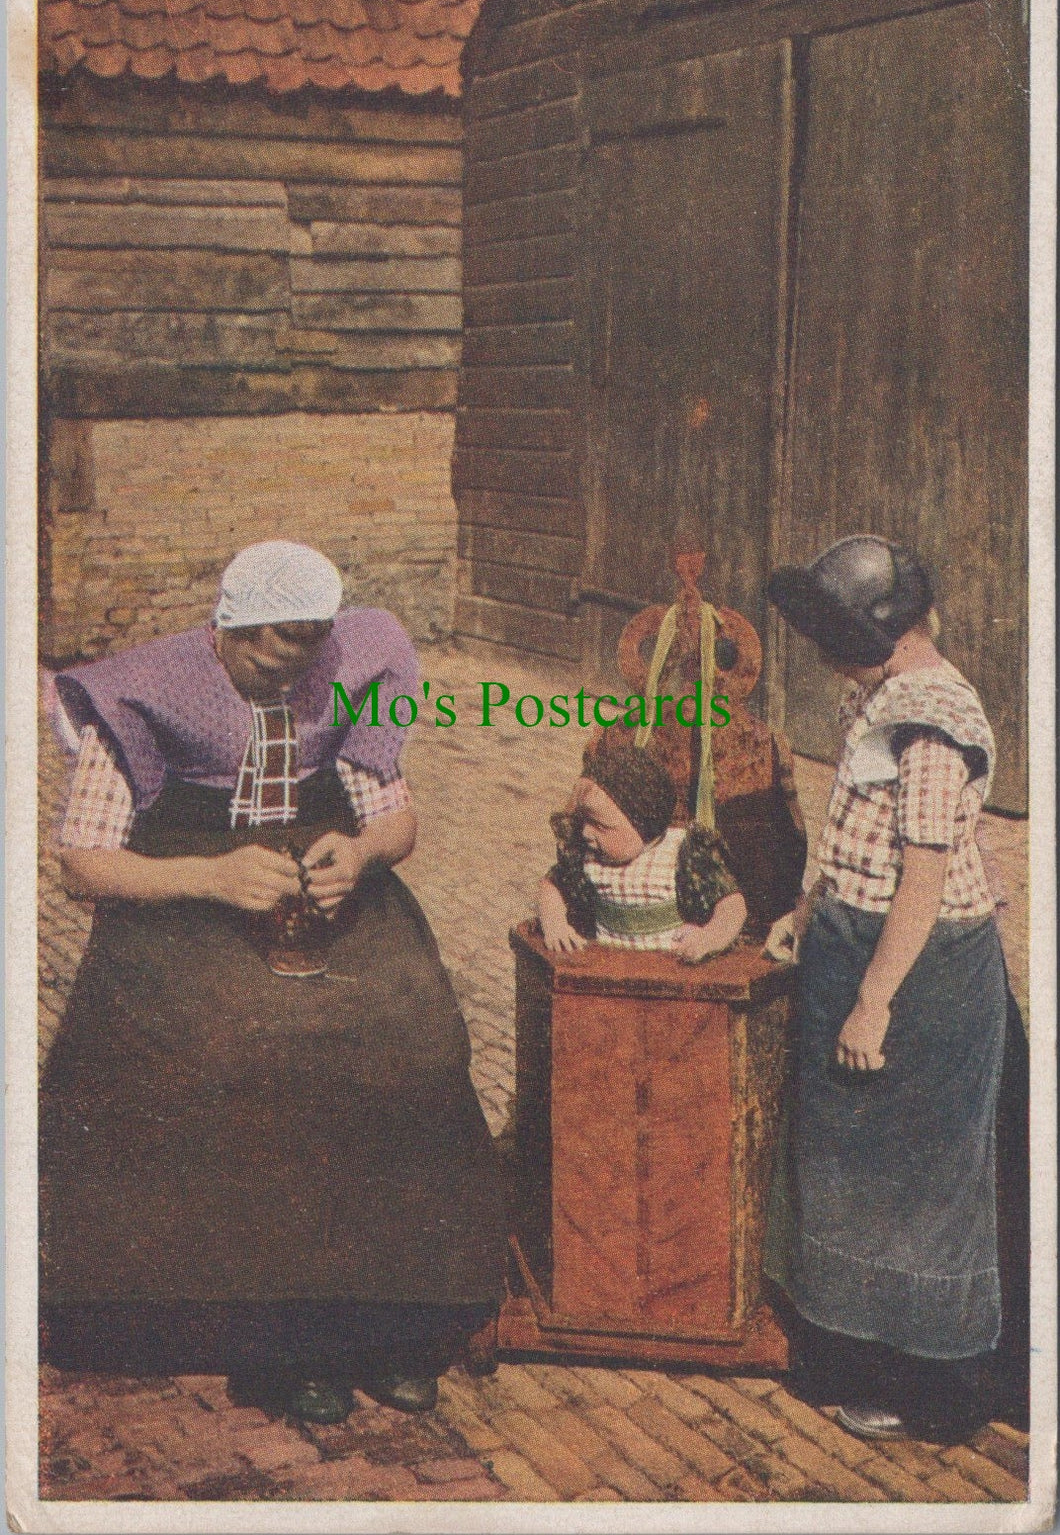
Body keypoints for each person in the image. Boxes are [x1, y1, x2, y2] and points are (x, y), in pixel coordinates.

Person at [40, 540, 506, 1423]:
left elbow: (395, 819)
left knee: (414, 1039)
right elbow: (82, 865)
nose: (280, 672)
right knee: (254, 1055)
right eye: (263, 652)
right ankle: (281, 1343)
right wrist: (208, 878)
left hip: (319, 882)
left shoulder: (358, 664)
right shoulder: (142, 688)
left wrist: (363, 855)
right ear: (225, 626)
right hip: (183, 897)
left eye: (302, 652)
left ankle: (391, 1320)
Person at [763, 534, 1029, 1441]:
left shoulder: (933, 720)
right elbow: (849, 834)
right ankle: (855, 1351)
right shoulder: (877, 697)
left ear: (882, 629)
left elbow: (923, 875)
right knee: (854, 1167)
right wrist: (806, 912)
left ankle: (936, 1390)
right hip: (854, 940)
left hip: (920, 972)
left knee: (921, 1183)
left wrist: (875, 1001)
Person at [539, 737, 747, 960]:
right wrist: (555, 925)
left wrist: (711, 936)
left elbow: (732, 904)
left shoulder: (682, 853)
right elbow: (551, 886)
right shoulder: (589, 858)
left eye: (599, 825)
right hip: (607, 965)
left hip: (670, 967)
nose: (586, 833)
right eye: (584, 821)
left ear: (643, 825)